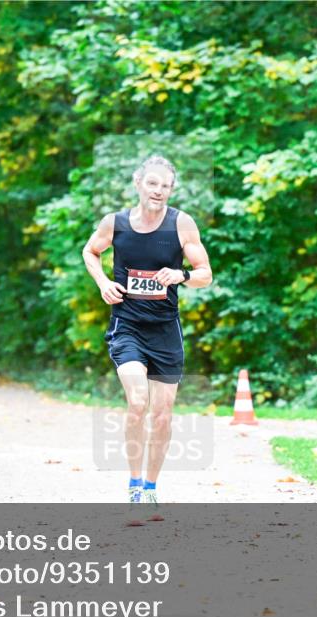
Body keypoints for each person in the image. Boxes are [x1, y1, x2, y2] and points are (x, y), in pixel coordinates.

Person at [82, 155, 212, 507]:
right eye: (152, 183)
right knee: (138, 402)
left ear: (171, 190)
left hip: (166, 330)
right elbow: (90, 251)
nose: (159, 191)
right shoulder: (116, 223)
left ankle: (151, 488)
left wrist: (181, 275)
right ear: (138, 183)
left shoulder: (182, 225)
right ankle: (134, 484)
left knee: (162, 413)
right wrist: (103, 281)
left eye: (166, 186)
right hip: (127, 326)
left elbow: (205, 273)